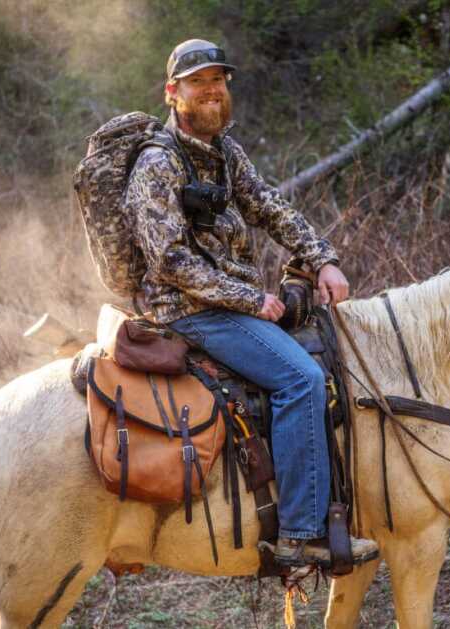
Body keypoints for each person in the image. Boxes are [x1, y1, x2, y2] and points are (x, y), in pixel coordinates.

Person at [122, 39, 378, 568]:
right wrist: (249, 298)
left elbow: (270, 207)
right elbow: (169, 260)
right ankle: (300, 535)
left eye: (218, 80)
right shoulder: (157, 163)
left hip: (229, 305)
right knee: (300, 379)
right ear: (173, 93)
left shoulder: (223, 152)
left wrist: (322, 257)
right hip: (189, 310)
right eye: (198, 82)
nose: (212, 90)